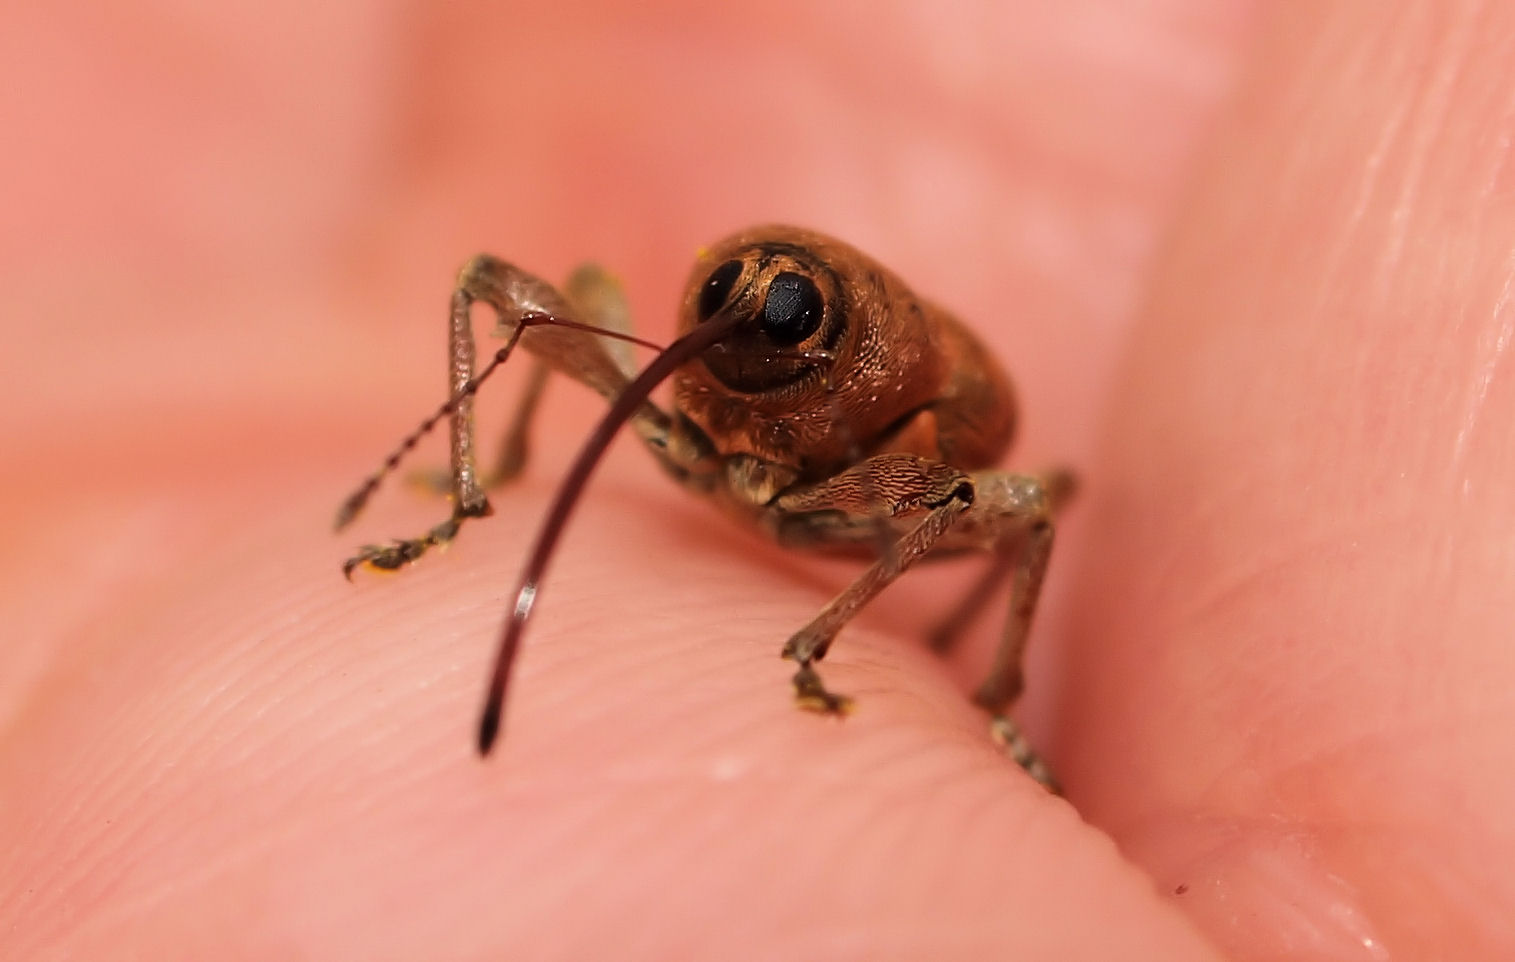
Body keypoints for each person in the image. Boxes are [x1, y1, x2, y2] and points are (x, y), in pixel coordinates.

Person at [2, 2, 1510, 958]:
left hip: (873, 477)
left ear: (809, 339)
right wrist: (495, 465)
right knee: (504, 286)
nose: (705, 333)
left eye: (757, 321)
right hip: (760, 435)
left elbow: (1006, 488)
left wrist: (829, 634)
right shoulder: (700, 336)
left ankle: (970, 682)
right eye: (716, 307)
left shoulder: (874, 399)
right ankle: (479, 484)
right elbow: (493, 285)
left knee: (1026, 509)